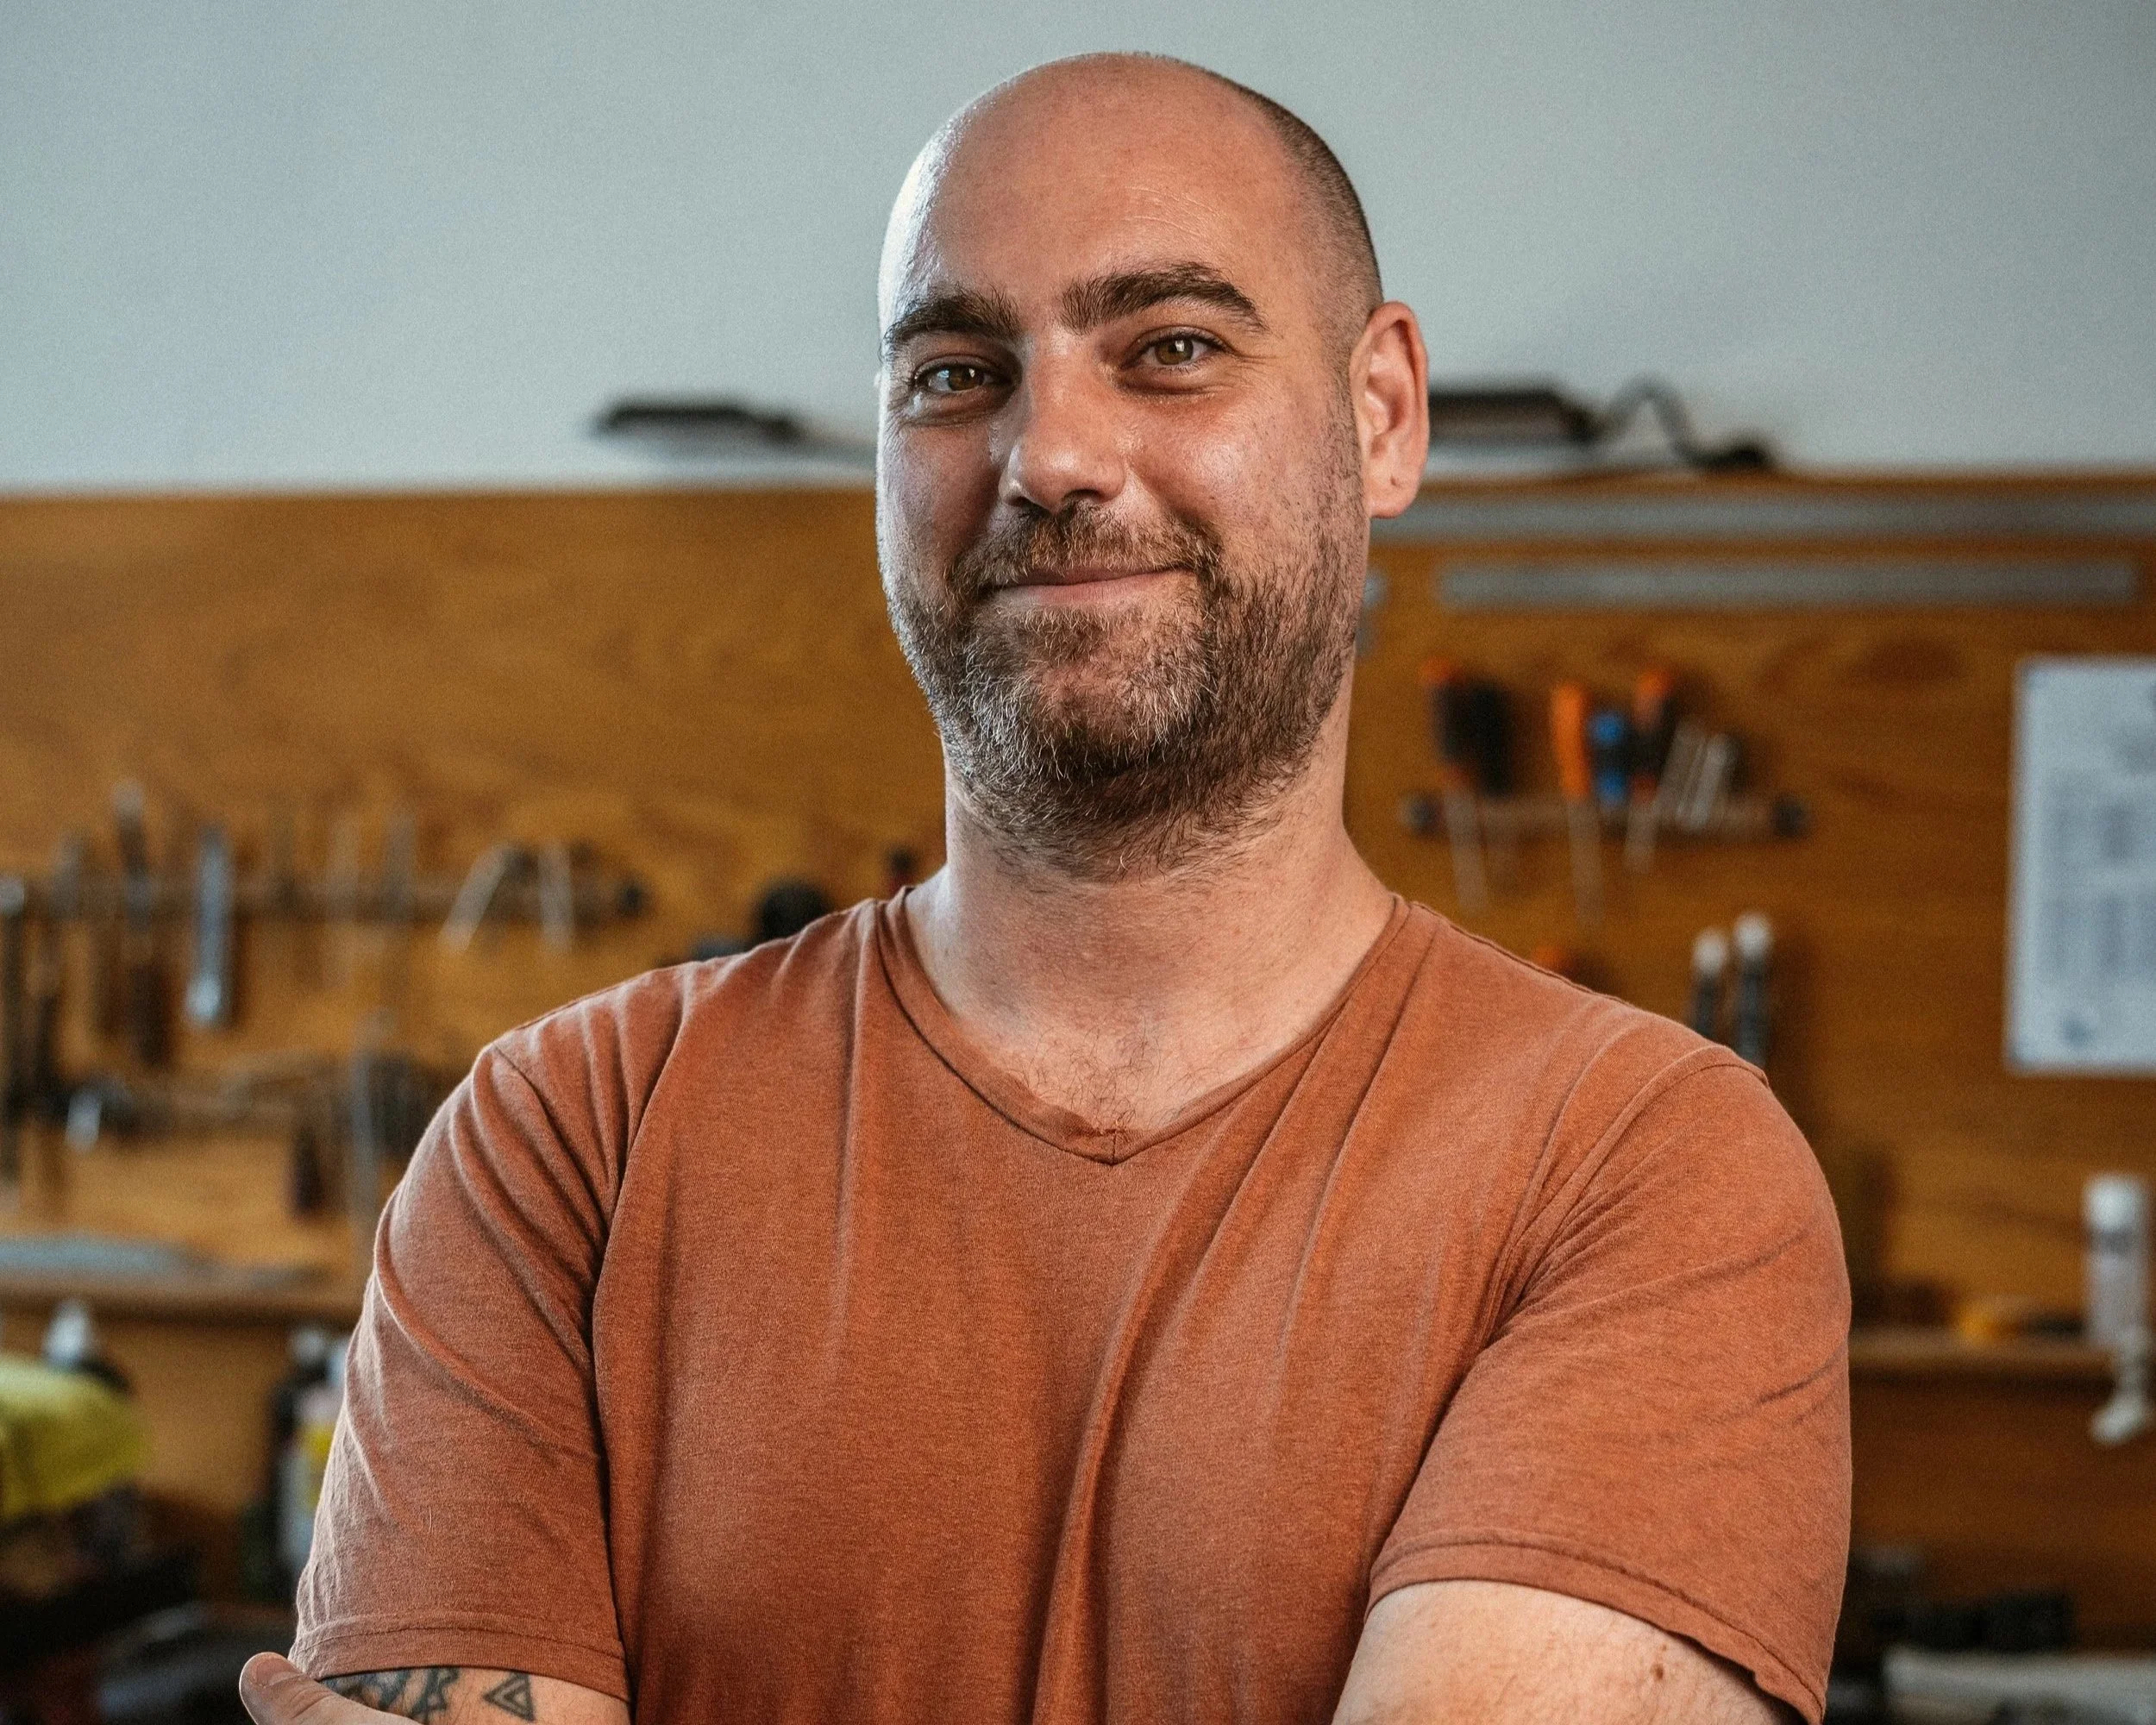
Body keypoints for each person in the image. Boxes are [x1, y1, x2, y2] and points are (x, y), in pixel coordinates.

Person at [241, 52, 1849, 1725]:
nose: (1052, 455)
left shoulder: (1643, 1171)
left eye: (1169, 348)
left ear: (1381, 414)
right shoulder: (563, 1149)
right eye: (955, 370)